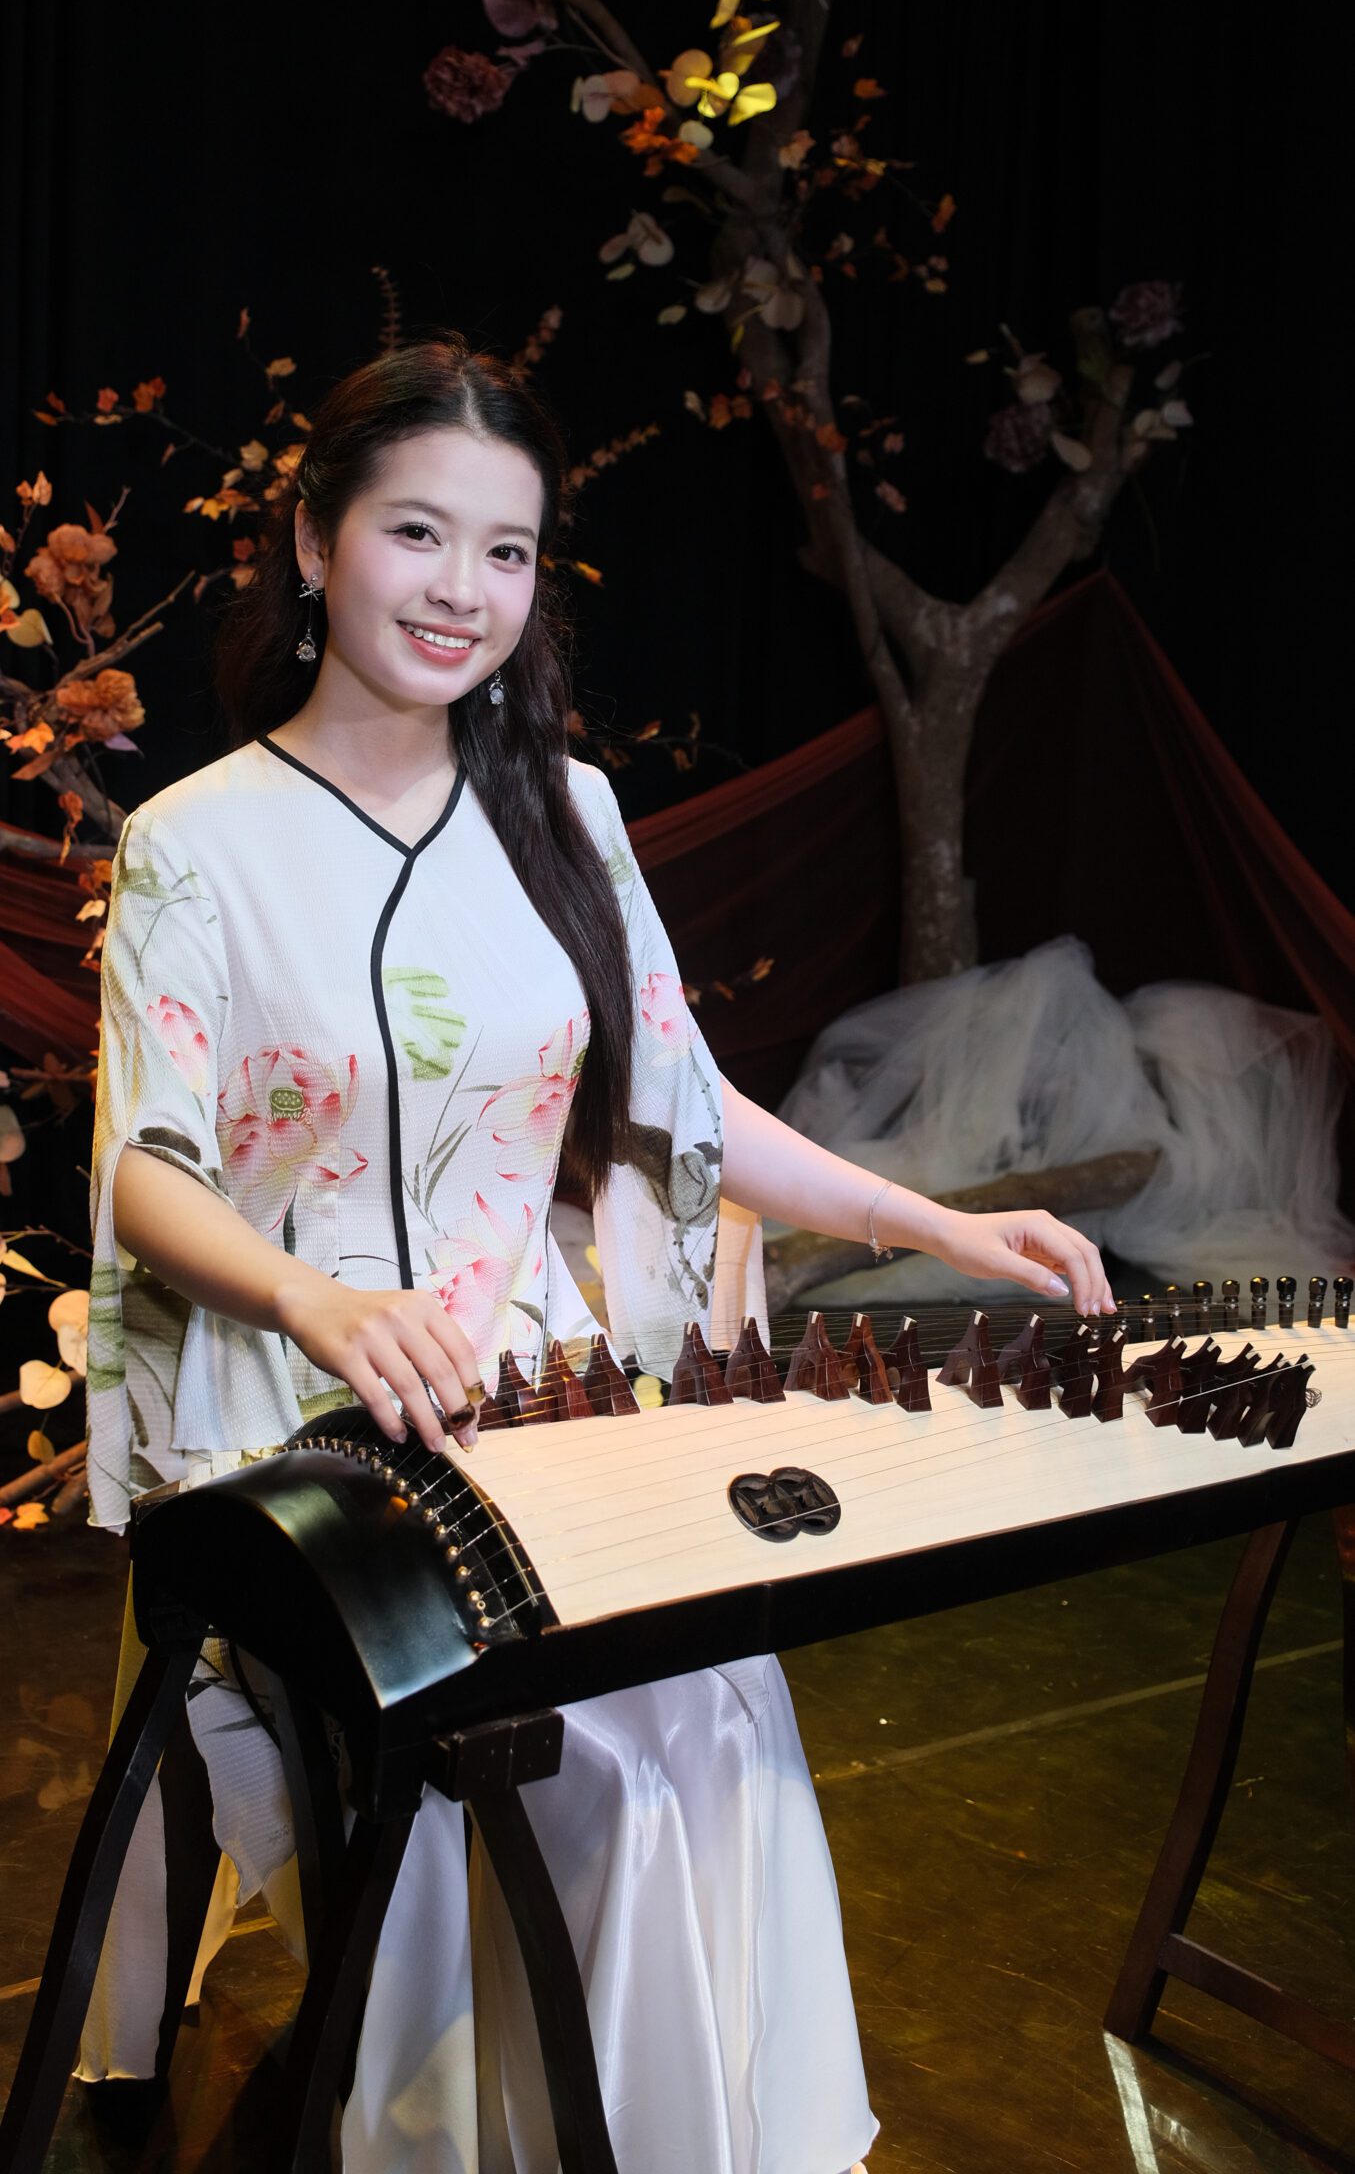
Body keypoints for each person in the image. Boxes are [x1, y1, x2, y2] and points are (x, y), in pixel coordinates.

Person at [73, 334, 1115, 2171]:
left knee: (706, 1724)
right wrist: (315, 1295)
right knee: (565, 1770)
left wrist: (936, 1219)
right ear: (313, 542)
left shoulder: (566, 813)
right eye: (416, 534)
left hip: (550, 1400)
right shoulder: (195, 844)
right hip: (302, 1405)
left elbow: (685, 1109)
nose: (461, 591)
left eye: (507, 551)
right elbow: (147, 1173)